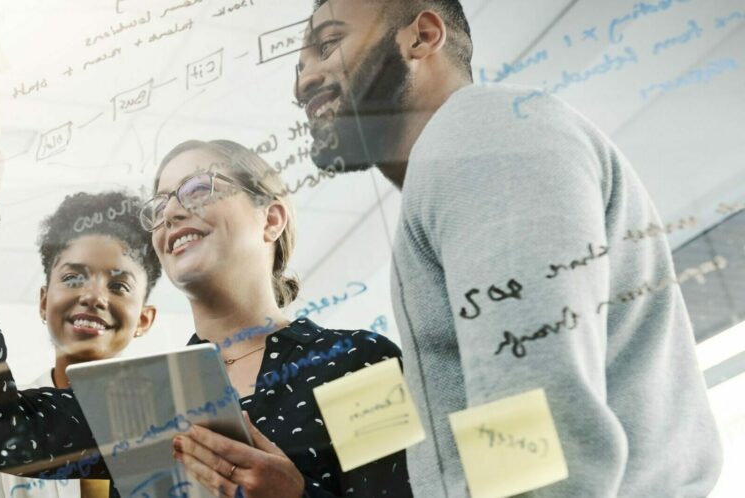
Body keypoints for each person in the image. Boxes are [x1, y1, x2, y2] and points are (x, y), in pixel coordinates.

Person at [295, 0, 722, 496]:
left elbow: (536, 431)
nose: (303, 80)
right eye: (300, 65)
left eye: (327, 45)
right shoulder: (468, 151)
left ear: (423, 36)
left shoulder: (478, 136)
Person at [0, 142, 411, 497]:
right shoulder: (141, 398)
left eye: (197, 189)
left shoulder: (355, 364)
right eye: (160, 205)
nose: (172, 212)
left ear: (271, 218)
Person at [0, 189, 163, 498]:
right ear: (44, 301)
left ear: (144, 319)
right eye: (74, 278)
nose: (92, 296)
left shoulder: (172, 421)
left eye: (118, 285)